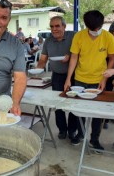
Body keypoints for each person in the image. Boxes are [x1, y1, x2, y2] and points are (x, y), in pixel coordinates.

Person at [64, 10, 114, 152]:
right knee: (77, 110)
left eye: (99, 28)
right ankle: (77, 134)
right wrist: (68, 79)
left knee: (97, 113)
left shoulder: (108, 37)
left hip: (98, 80)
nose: (96, 31)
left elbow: (112, 58)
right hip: (80, 80)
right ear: (87, 26)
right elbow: (74, 57)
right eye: (93, 29)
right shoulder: (79, 36)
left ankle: (94, 140)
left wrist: (105, 78)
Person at [37, 16, 80, 145]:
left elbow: (83, 53)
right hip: (56, 75)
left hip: (74, 76)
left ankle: (72, 130)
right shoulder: (48, 41)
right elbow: (43, 59)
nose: (54, 29)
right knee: (58, 104)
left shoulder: (74, 36)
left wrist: (71, 55)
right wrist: (37, 70)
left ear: (64, 26)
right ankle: (62, 129)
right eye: (52, 27)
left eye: (57, 26)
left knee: (73, 103)